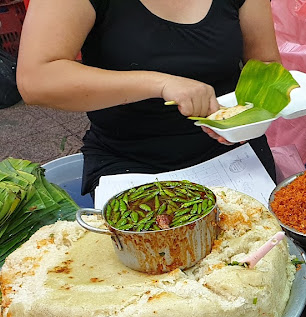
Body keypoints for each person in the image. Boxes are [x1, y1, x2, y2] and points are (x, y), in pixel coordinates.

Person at [16, 0, 281, 195]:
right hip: (131, 160)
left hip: (232, 151)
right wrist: (161, 83)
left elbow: (266, 66)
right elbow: (36, 80)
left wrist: (248, 119)